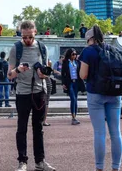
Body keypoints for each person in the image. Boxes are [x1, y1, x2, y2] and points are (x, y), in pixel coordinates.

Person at [7, 20, 55, 171]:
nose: (27, 40)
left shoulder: (42, 47)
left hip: (39, 92)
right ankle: (22, 162)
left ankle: (40, 162)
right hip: (22, 93)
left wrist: (43, 74)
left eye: (30, 37)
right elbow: (9, 75)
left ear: (35, 32)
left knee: (38, 128)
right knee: (22, 128)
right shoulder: (16, 48)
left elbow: (47, 70)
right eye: (24, 37)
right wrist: (19, 70)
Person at [79, 25, 122, 171]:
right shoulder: (115, 50)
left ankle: (99, 167)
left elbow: (83, 75)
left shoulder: (88, 51)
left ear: (89, 39)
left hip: (95, 94)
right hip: (114, 94)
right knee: (116, 132)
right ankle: (116, 167)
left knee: (99, 133)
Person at [61, 48, 81, 125]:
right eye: (73, 54)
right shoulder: (65, 62)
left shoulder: (77, 62)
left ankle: (75, 116)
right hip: (70, 83)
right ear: (69, 55)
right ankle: (73, 117)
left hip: (76, 82)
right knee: (73, 99)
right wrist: (63, 83)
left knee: (75, 99)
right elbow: (63, 74)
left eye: (75, 54)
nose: (74, 56)